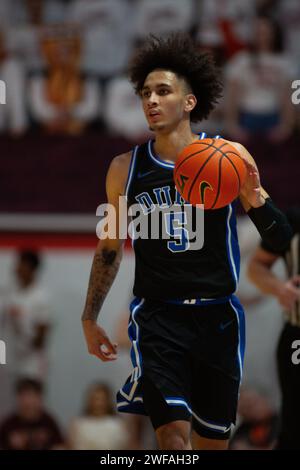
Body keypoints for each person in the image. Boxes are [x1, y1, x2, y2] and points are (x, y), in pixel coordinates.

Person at [81, 33, 292, 450]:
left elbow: (281, 237)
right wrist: (90, 318)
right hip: (157, 319)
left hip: (218, 319)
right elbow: (109, 248)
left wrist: (257, 195)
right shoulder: (124, 169)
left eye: (163, 91)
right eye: (145, 93)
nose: (151, 101)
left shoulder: (228, 157)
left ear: (190, 101)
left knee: (212, 446)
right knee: (173, 443)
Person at [247, 207, 300, 449]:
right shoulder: (292, 220)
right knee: (293, 427)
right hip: (297, 335)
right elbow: (256, 267)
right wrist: (280, 289)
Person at [2, 250, 52, 381]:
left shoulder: (41, 297)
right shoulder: (9, 294)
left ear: (31, 268)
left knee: (29, 398)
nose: (17, 269)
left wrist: (23, 330)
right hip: (10, 359)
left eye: (21, 265)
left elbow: (41, 337)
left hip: (31, 362)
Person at [0, 378, 64, 450]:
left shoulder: (49, 422)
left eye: (33, 396)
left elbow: (59, 446)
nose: (29, 401)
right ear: (18, 398)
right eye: (25, 396)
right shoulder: (8, 424)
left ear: (40, 398)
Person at [68, 382, 129, 450]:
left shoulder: (118, 424)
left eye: (102, 399)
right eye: (96, 399)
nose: (98, 404)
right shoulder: (78, 424)